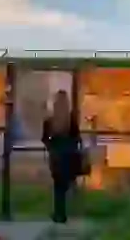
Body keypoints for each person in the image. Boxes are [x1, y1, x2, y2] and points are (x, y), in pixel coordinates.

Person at [41, 90, 83, 224]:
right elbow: (77, 138)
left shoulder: (50, 120)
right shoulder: (70, 120)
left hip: (56, 156)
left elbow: (44, 138)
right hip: (69, 156)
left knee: (58, 187)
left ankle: (59, 213)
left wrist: (51, 145)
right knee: (65, 186)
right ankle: (64, 213)